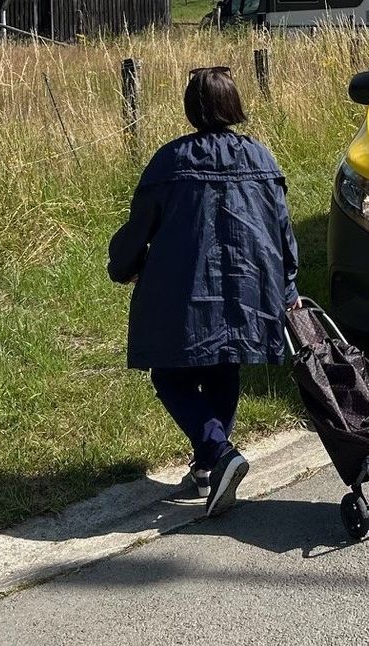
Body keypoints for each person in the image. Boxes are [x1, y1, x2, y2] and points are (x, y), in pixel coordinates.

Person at [108, 66, 300, 516]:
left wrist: (125, 266)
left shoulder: (169, 161)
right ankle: (207, 469)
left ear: (191, 108)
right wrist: (288, 285)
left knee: (170, 375)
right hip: (251, 288)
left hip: (185, 290)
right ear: (233, 104)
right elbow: (283, 231)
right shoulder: (263, 159)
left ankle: (219, 453)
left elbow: (139, 229)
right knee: (224, 367)